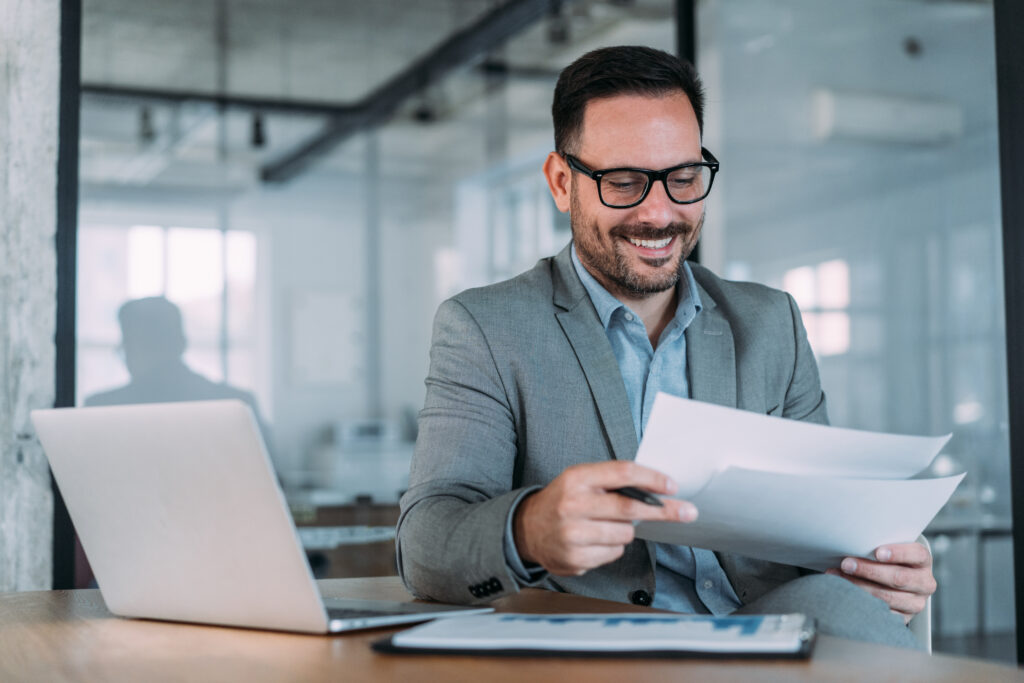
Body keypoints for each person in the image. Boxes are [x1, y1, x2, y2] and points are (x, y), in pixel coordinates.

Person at [396, 46, 934, 648]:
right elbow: (425, 544)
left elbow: (823, 531)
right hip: (603, 645)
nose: (660, 213)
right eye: (624, 182)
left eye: (683, 179)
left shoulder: (770, 321)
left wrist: (878, 568)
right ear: (561, 182)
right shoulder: (486, 326)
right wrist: (528, 530)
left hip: (765, 630)